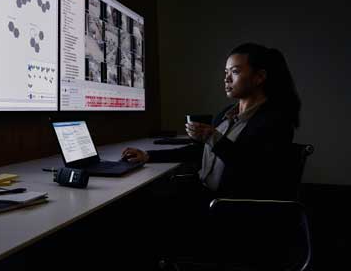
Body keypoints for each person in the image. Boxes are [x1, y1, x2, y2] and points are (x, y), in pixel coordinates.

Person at [121, 43, 302, 201]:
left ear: (259, 77)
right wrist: (148, 155)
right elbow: (202, 150)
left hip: (228, 205)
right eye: (226, 72)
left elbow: (252, 168)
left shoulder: (276, 120)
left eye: (235, 71)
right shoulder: (226, 113)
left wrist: (212, 136)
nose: (226, 79)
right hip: (202, 191)